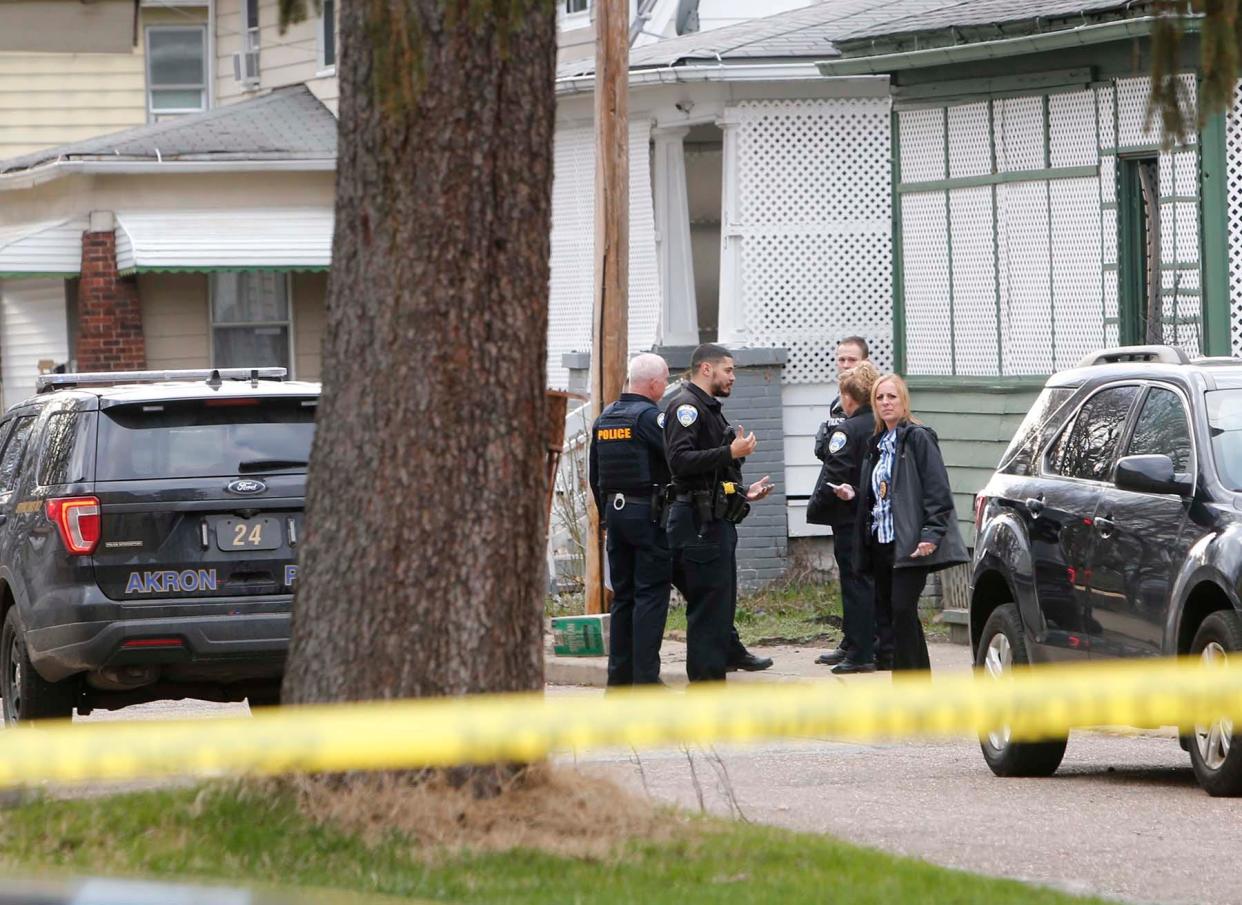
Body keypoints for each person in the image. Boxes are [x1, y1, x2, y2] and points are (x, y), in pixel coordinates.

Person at [834, 374, 968, 672]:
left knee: (903, 609)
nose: (885, 403)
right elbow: (883, 493)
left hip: (909, 544)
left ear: (903, 401)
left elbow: (937, 490)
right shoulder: (878, 442)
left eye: (891, 397)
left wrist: (931, 533)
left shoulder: (918, 437)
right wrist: (854, 493)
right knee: (890, 617)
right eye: (880, 398)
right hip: (880, 542)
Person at [663, 344, 774, 682]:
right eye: (728, 370)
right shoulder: (687, 408)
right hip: (698, 525)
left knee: (719, 606)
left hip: (714, 520)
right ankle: (706, 687)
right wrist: (730, 451)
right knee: (708, 610)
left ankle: (721, 667)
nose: (733, 377)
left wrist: (744, 492)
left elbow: (712, 476)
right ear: (706, 369)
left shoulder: (708, 408)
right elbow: (680, 462)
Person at [588, 353, 674, 687]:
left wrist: (608, 515)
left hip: (616, 518)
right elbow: (675, 461)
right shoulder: (651, 418)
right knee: (650, 596)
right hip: (647, 517)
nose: (665, 387)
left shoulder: (605, 418)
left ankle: (618, 682)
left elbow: (595, 475)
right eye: (665, 381)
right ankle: (646, 681)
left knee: (622, 599)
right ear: (653, 383)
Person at [806, 362, 879, 673]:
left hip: (849, 517)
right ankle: (859, 641)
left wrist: (817, 507)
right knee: (869, 582)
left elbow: (834, 473)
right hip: (875, 517)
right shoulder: (880, 425)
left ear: (849, 398)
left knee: (854, 583)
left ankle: (860, 651)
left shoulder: (847, 430)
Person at [813, 336, 870, 461]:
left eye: (852, 360)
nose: (846, 365)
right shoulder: (836, 403)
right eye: (841, 360)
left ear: (866, 362)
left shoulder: (875, 398)